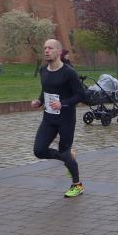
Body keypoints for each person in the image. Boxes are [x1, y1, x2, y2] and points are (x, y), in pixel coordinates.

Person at [32, 38, 85, 198]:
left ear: (59, 52)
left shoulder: (69, 72)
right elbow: (46, 89)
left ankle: (77, 185)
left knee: (64, 151)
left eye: (50, 48)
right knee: (39, 150)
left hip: (66, 119)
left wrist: (63, 104)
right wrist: (39, 101)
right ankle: (68, 157)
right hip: (49, 118)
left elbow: (81, 95)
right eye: (45, 48)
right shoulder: (43, 70)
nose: (46, 51)